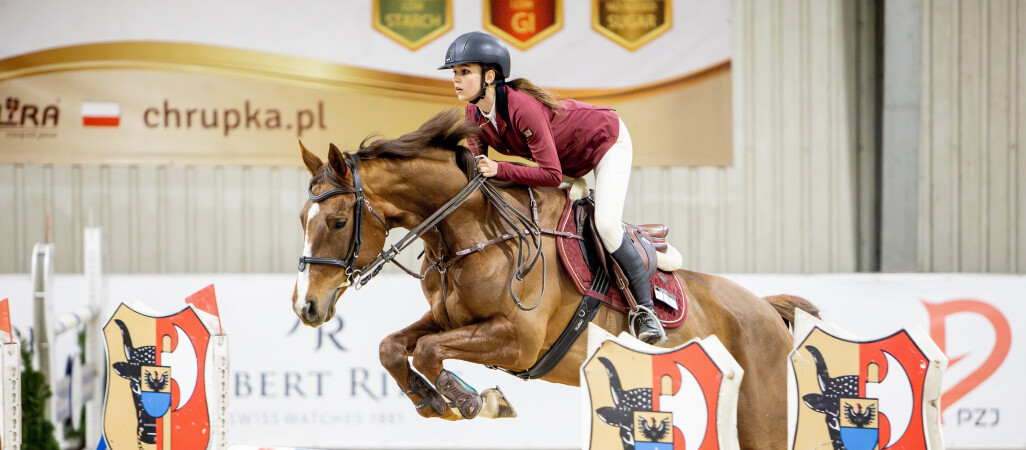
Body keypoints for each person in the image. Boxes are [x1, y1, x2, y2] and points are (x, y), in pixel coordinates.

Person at [438, 31, 666, 345]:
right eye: (454, 73)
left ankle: (645, 311)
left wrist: (500, 168)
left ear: (489, 76)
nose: (456, 79)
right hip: (568, 162)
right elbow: (481, 175)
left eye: (464, 72)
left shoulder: (522, 109)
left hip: (604, 142)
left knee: (607, 225)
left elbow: (549, 174)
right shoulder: (473, 114)